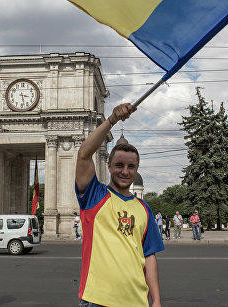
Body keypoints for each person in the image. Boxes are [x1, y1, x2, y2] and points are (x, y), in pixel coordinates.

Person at [75, 103, 164, 307]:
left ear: (137, 169)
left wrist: (156, 300)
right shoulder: (93, 196)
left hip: (136, 302)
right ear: (108, 166)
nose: (125, 171)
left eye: (131, 167)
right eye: (119, 165)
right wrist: (111, 120)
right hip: (97, 301)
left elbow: (149, 256)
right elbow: (84, 155)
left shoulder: (144, 209)